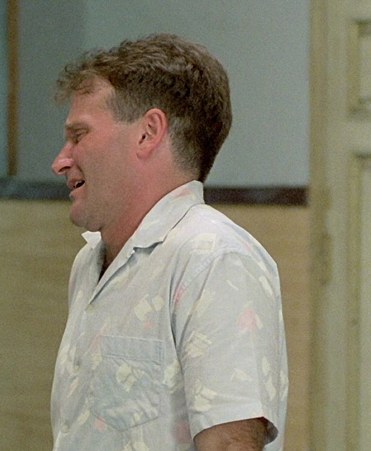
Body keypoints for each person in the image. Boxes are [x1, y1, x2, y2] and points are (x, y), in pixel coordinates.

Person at [49, 34, 288, 450]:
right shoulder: (89, 262)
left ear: (148, 133)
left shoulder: (215, 259)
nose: (60, 161)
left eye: (79, 135)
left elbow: (231, 444)